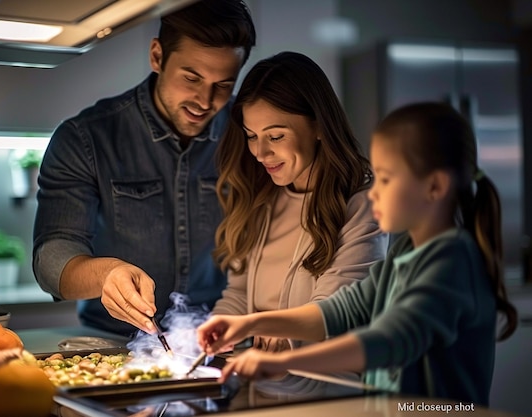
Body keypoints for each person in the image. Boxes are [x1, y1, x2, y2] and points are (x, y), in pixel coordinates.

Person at [197, 102, 518, 405]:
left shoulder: (452, 262)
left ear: (435, 186)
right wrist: (246, 324)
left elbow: (387, 341)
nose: (373, 192)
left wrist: (284, 360)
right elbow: (343, 311)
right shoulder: (405, 253)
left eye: (386, 179)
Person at [32, 0, 256, 337]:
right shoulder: (86, 137)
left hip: (221, 343)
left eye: (223, 85)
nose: (205, 101)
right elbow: (51, 256)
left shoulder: (250, 133)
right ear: (157, 56)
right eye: (191, 78)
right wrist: (107, 274)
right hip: (114, 342)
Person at [210, 51, 388, 352]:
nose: (260, 153)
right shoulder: (260, 197)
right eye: (251, 136)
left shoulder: (362, 204)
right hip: (268, 377)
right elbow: (238, 296)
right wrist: (213, 332)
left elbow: (337, 311)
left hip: (332, 385)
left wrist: (280, 331)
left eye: (276, 136)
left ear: (319, 126)